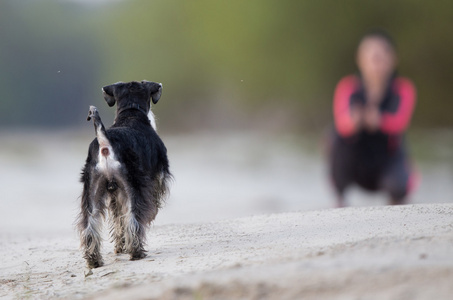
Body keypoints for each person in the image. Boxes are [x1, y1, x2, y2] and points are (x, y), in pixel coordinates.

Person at [329, 30, 417, 207]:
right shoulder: (348, 87)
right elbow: (342, 123)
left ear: (392, 59)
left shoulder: (403, 89)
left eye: (381, 55)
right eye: (370, 55)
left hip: (387, 159)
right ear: (360, 59)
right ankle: (339, 197)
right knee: (333, 137)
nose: (375, 61)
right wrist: (355, 122)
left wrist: (379, 121)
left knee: (397, 184)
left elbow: (400, 122)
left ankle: (399, 193)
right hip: (357, 161)